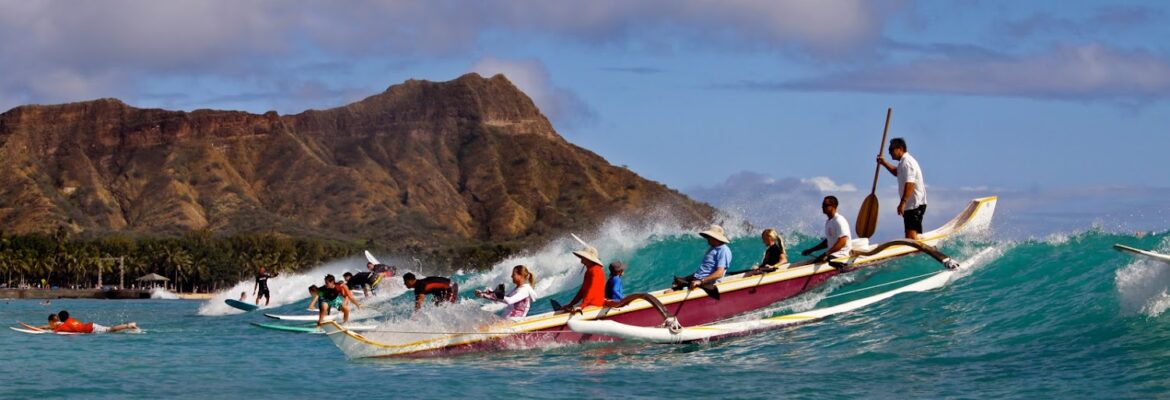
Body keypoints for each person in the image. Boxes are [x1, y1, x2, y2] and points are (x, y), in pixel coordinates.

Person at [877, 137, 928, 240]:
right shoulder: (903, 163)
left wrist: (903, 202)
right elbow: (897, 172)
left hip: (914, 204)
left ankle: (918, 251)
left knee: (911, 236)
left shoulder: (907, 162)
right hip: (911, 205)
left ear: (900, 148)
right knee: (910, 236)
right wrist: (884, 163)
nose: (889, 152)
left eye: (891, 150)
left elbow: (910, 183)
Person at [672, 225, 732, 291]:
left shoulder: (723, 250)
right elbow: (703, 270)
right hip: (698, 279)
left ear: (715, 238)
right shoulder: (712, 248)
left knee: (670, 292)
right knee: (676, 282)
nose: (707, 239)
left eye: (709, 237)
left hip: (706, 283)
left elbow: (719, 273)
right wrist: (685, 279)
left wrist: (701, 281)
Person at [800, 196, 854, 264]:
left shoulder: (839, 220)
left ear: (833, 206)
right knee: (811, 264)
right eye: (822, 205)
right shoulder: (828, 222)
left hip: (842, 256)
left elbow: (842, 241)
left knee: (814, 264)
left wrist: (826, 254)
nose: (822, 207)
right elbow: (828, 241)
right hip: (832, 255)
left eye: (825, 205)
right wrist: (811, 250)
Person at [558, 246, 607, 313]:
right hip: (589, 304)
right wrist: (571, 304)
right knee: (567, 310)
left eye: (583, 257)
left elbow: (592, 290)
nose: (581, 259)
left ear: (588, 258)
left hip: (595, 306)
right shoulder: (589, 270)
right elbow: (582, 291)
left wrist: (582, 306)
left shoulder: (595, 270)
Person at [53, 310, 138, 334]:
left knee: (110, 330)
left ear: (61, 319)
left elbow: (56, 331)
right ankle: (130, 327)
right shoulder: (71, 320)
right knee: (109, 330)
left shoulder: (65, 325)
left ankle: (129, 325)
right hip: (91, 325)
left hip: (91, 329)